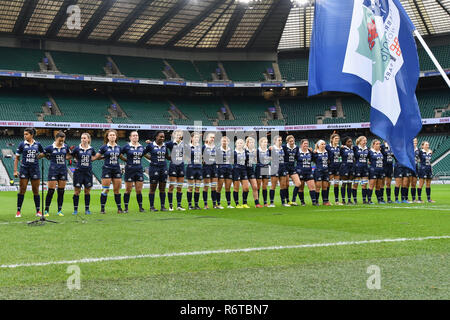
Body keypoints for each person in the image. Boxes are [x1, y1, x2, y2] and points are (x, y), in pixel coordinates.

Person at [13, 128, 45, 218]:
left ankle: (38, 211)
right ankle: (18, 211)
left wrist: (39, 156)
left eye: (26, 134)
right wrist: (15, 170)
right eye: (24, 134)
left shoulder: (37, 144)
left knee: (36, 190)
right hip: (24, 169)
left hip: (35, 169)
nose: (25, 136)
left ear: (31, 135)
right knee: (22, 190)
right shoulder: (22, 144)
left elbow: (43, 153)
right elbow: (17, 158)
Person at [92, 129, 123, 214]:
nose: (112, 136)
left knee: (117, 190)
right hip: (107, 170)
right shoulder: (104, 147)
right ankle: (102, 209)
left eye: (114, 135)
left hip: (116, 170)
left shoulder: (119, 147)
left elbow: (121, 157)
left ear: (116, 137)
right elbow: (96, 157)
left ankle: (119, 208)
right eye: (110, 135)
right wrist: (89, 159)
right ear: (107, 137)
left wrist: (129, 161)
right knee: (105, 190)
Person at [43, 131, 71, 217]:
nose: (61, 142)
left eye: (63, 140)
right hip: (53, 171)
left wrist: (66, 157)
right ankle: (46, 210)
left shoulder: (65, 147)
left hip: (63, 170)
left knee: (61, 191)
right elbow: (41, 154)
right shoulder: (49, 147)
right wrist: (45, 155)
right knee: (51, 191)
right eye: (60, 140)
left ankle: (59, 210)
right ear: (56, 139)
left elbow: (69, 155)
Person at [120, 131, 148, 213]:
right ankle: (126, 208)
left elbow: (144, 155)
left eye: (136, 135)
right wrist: (126, 160)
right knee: (128, 190)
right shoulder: (126, 146)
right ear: (130, 137)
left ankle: (140, 207)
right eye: (133, 135)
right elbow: (120, 154)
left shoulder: (141, 147)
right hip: (129, 170)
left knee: (139, 190)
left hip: (139, 170)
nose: (135, 137)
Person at [71, 133, 95, 215]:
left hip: (88, 172)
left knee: (87, 191)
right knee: (77, 191)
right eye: (82, 138)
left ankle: (87, 209)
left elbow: (94, 157)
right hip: (78, 172)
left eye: (84, 138)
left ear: (88, 139)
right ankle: (75, 210)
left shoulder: (91, 149)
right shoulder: (77, 149)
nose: (83, 139)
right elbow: (71, 156)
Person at [145, 131, 169, 212]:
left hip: (164, 168)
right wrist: (152, 159)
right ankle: (152, 207)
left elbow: (167, 156)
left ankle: (163, 206)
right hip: (154, 168)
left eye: (163, 137)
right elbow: (143, 153)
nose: (162, 138)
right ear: (156, 137)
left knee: (162, 189)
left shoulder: (165, 146)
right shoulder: (150, 145)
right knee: (153, 188)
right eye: (160, 137)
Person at [166, 130, 186, 211]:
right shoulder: (170, 143)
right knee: (172, 186)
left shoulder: (184, 144)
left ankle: (179, 205)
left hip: (181, 166)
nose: (178, 135)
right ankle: (170, 206)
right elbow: (162, 147)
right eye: (177, 134)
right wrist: (168, 157)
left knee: (180, 187)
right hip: (173, 166)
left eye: (180, 134)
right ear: (173, 135)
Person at [269, 135, 290, 207]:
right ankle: (271, 202)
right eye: (278, 140)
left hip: (282, 167)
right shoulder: (272, 148)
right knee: (273, 185)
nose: (280, 141)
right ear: (274, 141)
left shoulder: (283, 148)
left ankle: (283, 202)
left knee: (283, 185)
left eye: (281, 140)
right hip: (275, 167)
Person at [295, 139, 317, 205]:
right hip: (300, 172)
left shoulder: (310, 152)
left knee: (312, 187)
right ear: (301, 144)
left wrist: (314, 152)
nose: (306, 145)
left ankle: (314, 202)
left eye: (307, 144)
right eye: (304, 143)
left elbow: (315, 159)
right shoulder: (297, 152)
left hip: (309, 171)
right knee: (301, 188)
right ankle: (302, 202)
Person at [186, 132, 203, 210]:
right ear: (192, 138)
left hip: (199, 168)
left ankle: (196, 204)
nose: (197, 139)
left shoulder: (200, 147)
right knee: (190, 187)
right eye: (195, 137)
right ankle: (190, 205)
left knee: (197, 188)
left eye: (198, 138)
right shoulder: (188, 146)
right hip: (191, 168)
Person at [202, 133, 219, 209]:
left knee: (214, 186)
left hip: (214, 167)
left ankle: (214, 204)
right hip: (206, 168)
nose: (212, 139)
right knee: (206, 186)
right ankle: (205, 204)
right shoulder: (203, 147)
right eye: (211, 137)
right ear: (207, 138)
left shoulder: (216, 148)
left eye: (213, 137)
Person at [283, 135, 300, 206]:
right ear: (287, 142)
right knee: (286, 185)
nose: (292, 142)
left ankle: (293, 200)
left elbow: (297, 157)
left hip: (292, 167)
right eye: (290, 141)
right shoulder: (284, 147)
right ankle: (288, 201)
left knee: (298, 183)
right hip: (285, 167)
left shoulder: (296, 148)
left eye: (293, 141)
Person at [216, 136, 234, 208]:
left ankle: (229, 204)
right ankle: (218, 204)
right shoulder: (217, 150)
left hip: (229, 168)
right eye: (223, 141)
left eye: (226, 141)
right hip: (220, 169)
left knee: (228, 187)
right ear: (221, 142)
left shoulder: (231, 150)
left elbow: (233, 159)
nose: (224, 142)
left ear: (228, 142)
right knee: (219, 187)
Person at [312, 140, 331, 206]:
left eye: (324, 144)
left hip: (326, 171)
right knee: (318, 187)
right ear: (318, 145)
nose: (323, 145)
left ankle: (325, 201)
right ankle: (316, 201)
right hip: (318, 171)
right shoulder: (315, 152)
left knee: (325, 186)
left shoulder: (327, 152)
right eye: (322, 144)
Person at [245, 136, 262, 208]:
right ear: (247, 143)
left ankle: (257, 203)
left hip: (251, 170)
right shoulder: (244, 150)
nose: (252, 144)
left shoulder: (255, 151)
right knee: (245, 188)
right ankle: (244, 203)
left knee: (255, 187)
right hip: (244, 170)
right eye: (250, 142)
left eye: (253, 142)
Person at [233, 139, 250, 208]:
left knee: (246, 188)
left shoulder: (246, 152)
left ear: (243, 144)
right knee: (236, 188)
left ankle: (244, 203)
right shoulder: (233, 152)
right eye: (238, 143)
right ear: (236, 144)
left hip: (243, 169)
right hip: (236, 170)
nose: (240, 144)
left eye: (241, 143)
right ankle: (237, 204)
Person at [367, 139, 385, 204]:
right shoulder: (370, 152)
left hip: (380, 170)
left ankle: (379, 200)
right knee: (371, 185)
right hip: (373, 170)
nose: (378, 145)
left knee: (378, 186)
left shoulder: (380, 152)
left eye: (379, 144)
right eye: (377, 144)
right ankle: (369, 200)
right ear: (373, 145)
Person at [326, 133, 343, 205]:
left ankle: (336, 201)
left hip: (337, 167)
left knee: (336, 184)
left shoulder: (339, 148)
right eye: (335, 139)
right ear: (332, 139)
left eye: (338, 139)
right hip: (330, 167)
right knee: (328, 184)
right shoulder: (327, 147)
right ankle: (326, 200)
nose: (337, 140)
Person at [353, 136, 369, 204]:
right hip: (357, 168)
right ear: (359, 141)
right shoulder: (355, 148)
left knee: (364, 185)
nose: (365, 142)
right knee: (355, 184)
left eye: (366, 140)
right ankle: (355, 200)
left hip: (365, 168)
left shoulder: (367, 148)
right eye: (363, 140)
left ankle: (364, 200)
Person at [339, 137, 355, 205]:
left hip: (351, 167)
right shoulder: (342, 149)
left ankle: (349, 200)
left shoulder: (353, 149)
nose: (350, 143)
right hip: (344, 167)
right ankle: (343, 200)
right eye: (349, 142)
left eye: (351, 141)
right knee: (344, 183)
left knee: (350, 184)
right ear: (345, 143)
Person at [256, 136, 271, 207]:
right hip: (259, 168)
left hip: (266, 167)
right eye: (264, 142)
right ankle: (257, 203)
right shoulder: (257, 150)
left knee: (265, 186)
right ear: (260, 143)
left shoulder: (268, 150)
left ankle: (265, 202)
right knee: (258, 186)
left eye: (266, 142)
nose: (266, 143)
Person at [410, 138, 419, 202]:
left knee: (414, 184)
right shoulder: (408, 149)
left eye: (416, 141)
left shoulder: (418, 150)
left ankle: (413, 198)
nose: (415, 142)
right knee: (407, 183)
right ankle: (405, 198)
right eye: (413, 141)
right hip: (409, 167)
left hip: (415, 167)